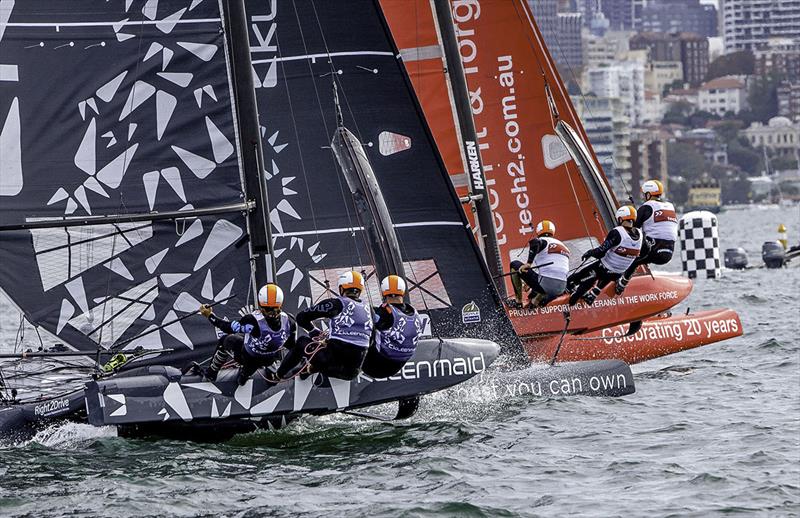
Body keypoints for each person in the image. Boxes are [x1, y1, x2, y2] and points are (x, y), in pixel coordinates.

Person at [276, 271, 373, 381]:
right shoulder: (370, 310)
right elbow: (371, 340)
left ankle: (278, 375)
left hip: (328, 366)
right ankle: (307, 371)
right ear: (360, 291)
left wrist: (313, 331)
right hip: (351, 373)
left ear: (341, 289)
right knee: (331, 347)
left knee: (302, 342)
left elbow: (301, 318)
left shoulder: (335, 304)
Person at [200, 283, 295, 385]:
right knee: (252, 338)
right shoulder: (289, 320)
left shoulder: (252, 320)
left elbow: (227, 328)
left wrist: (209, 315)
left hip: (247, 358)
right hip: (269, 359)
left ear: (261, 306)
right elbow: (291, 345)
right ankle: (257, 372)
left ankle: (211, 373)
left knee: (226, 339)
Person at [567, 205, 642, 306]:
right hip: (618, 274)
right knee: (596, 273)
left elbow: (601, 252)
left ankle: (571, 302)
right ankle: (592, 295)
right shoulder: (640, 234)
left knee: (572, 280)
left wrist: (589, 252)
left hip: (603, 269)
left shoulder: (618, 232)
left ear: (620, 218)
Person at [615, 179, 678, 295]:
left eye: (644, 195)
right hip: (668, 254)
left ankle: (621, 284)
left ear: (648, 194)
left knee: (632, 256)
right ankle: (636, 273)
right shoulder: (670, 206)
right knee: (641, 255)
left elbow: (632, 229)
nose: (644, 197)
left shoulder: (646, 207)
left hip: (653, 250)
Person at [362, 275, 423, 378]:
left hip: (373, 367)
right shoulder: (415, 314)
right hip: (397, 367)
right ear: (403, 292)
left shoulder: (381, 314)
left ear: (383, 293)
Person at [509, 220, 570, 308]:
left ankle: (518, 302)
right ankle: (534, 302)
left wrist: (529, 263)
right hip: (561, 288)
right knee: (545, 275)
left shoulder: (542, 240)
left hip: (545, 285)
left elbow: (535, 243)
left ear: (538, 231)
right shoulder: (564, 247)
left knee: (514, 265)